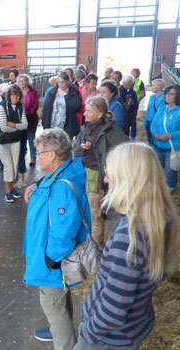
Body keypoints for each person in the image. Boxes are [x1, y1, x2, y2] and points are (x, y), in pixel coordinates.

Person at [56, 141, 179, 350]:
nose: (106, 177)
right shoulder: (159, 221)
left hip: (108, 336)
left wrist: (88, 331)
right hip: (134, 328)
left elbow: (113, 309)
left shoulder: (129, 236)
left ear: (128, 179)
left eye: (111, 172)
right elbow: (155, 276)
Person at [22, 128, 91, 350]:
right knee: (58, 301)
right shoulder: (60, 174)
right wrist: (37, 184)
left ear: (53, 155)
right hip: (47, 255)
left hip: (52, 261)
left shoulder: (61, 187)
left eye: (40, 153)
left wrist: (52, 260)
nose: (37, 157)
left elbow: (64, 230)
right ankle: (59, 329)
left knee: (52, 304)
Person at [73, 96, 128, 246]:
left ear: (100, 114)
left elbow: (125, 150)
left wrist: (110, 168)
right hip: (84, 173)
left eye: (89, 111)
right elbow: (76, 150)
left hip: (98, 176)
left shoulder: (112, 131)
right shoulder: (85, 127)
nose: (84, 113)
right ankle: (87, 242)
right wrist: (83, 147)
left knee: (95, 214)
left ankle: (96, 248)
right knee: (84, 209)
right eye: (85, 109)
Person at [150, 84, 180, 192]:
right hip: (159, 144)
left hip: (173, 147)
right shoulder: (162, 108)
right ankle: (156, 185)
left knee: (170, 170)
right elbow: (153, 124)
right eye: (167, 94)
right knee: (156, 167)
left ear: (177, 96)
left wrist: (170, 135)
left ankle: (171, 187)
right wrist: (155, 133)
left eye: (171, 94)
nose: (167, 96)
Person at [0, 84, 28, 203]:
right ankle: (7, 192)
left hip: (15, 140)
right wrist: (18, 127)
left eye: (18, 95)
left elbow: (25, 125)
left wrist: (13, 124)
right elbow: (3, 127)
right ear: (9, 95)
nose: (15, 97)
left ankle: (12, 188)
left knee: (14, 166)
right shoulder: (1, 107)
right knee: (8, 166)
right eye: (13, 95)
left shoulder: (20, 107)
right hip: (3, 141)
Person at [42, 71, 82, 140]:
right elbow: (45, 107)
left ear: (68, 81)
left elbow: (76, 106)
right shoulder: (52, 92)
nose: (61, 84)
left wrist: (66, 96)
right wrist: (44, 122)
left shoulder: (73, 92)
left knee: (66, 148)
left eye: (63, 82)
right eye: (59, 82)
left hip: (67, 126)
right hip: (52, 125)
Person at [17, 73, 39, 178]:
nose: (21, 82)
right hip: (19, 120)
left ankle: (33, 157)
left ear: (27, 82)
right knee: (21, 139)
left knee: (31, 137)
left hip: (30, 119)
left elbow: (35, 106)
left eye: (23, 81)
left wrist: (24, 114)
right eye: (20, 81)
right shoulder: (16, 91)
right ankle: (21, 156)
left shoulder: (33, 92)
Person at [143, 78, 166, 145]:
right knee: (149, 139)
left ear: (159, 86)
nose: (151, 87)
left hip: (157, 122)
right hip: (149, 121)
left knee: (156, 140)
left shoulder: (164, 97)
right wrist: (145, 120)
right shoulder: (152, 97)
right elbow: (148, 109)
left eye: (153, 85)